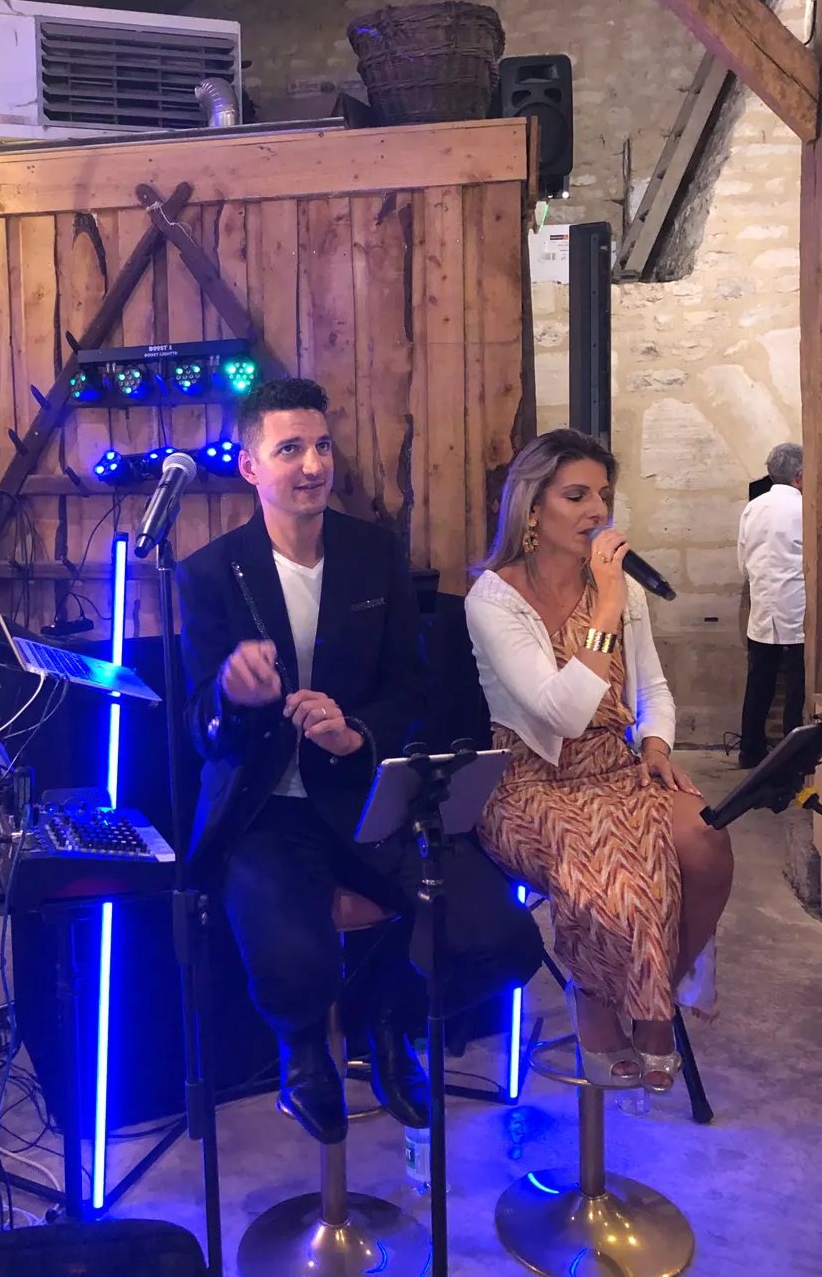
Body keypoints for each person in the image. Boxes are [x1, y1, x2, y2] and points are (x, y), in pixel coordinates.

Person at [177, 378, 542, 1145]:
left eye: (321, 446)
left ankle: (388, 1019)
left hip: (370, 794)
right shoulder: (209, 573)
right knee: (292, 967)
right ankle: (303, 1045)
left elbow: (412, 685)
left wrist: (357, 734)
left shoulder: (375, 555)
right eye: (290, 449)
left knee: (505, 944)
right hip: (266, 810)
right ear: (249, 465)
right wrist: (233, 698)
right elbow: (203, 732)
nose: (313, 465)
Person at [466, 428, 733, 1093]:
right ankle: (597, 1000)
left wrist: (656, 745)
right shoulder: (494, 599)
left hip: (616, 765)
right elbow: (561, 715)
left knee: (705, 841)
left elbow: (653, 690)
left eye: (603, 496)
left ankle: (651, 999)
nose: (596, 511)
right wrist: (606, 609)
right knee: (610, 868)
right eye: (576, 495)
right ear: (533, 508)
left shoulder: (620, 589)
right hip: (531, 777)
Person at [737, 442, 805, 769]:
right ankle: (793, 758)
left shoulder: (753, 508)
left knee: (759, 682)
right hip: (798, 608)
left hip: (762, 608)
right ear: (800, 476)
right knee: (798, 687)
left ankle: (750, 751)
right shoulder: (804, 508)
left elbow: (742, 562)